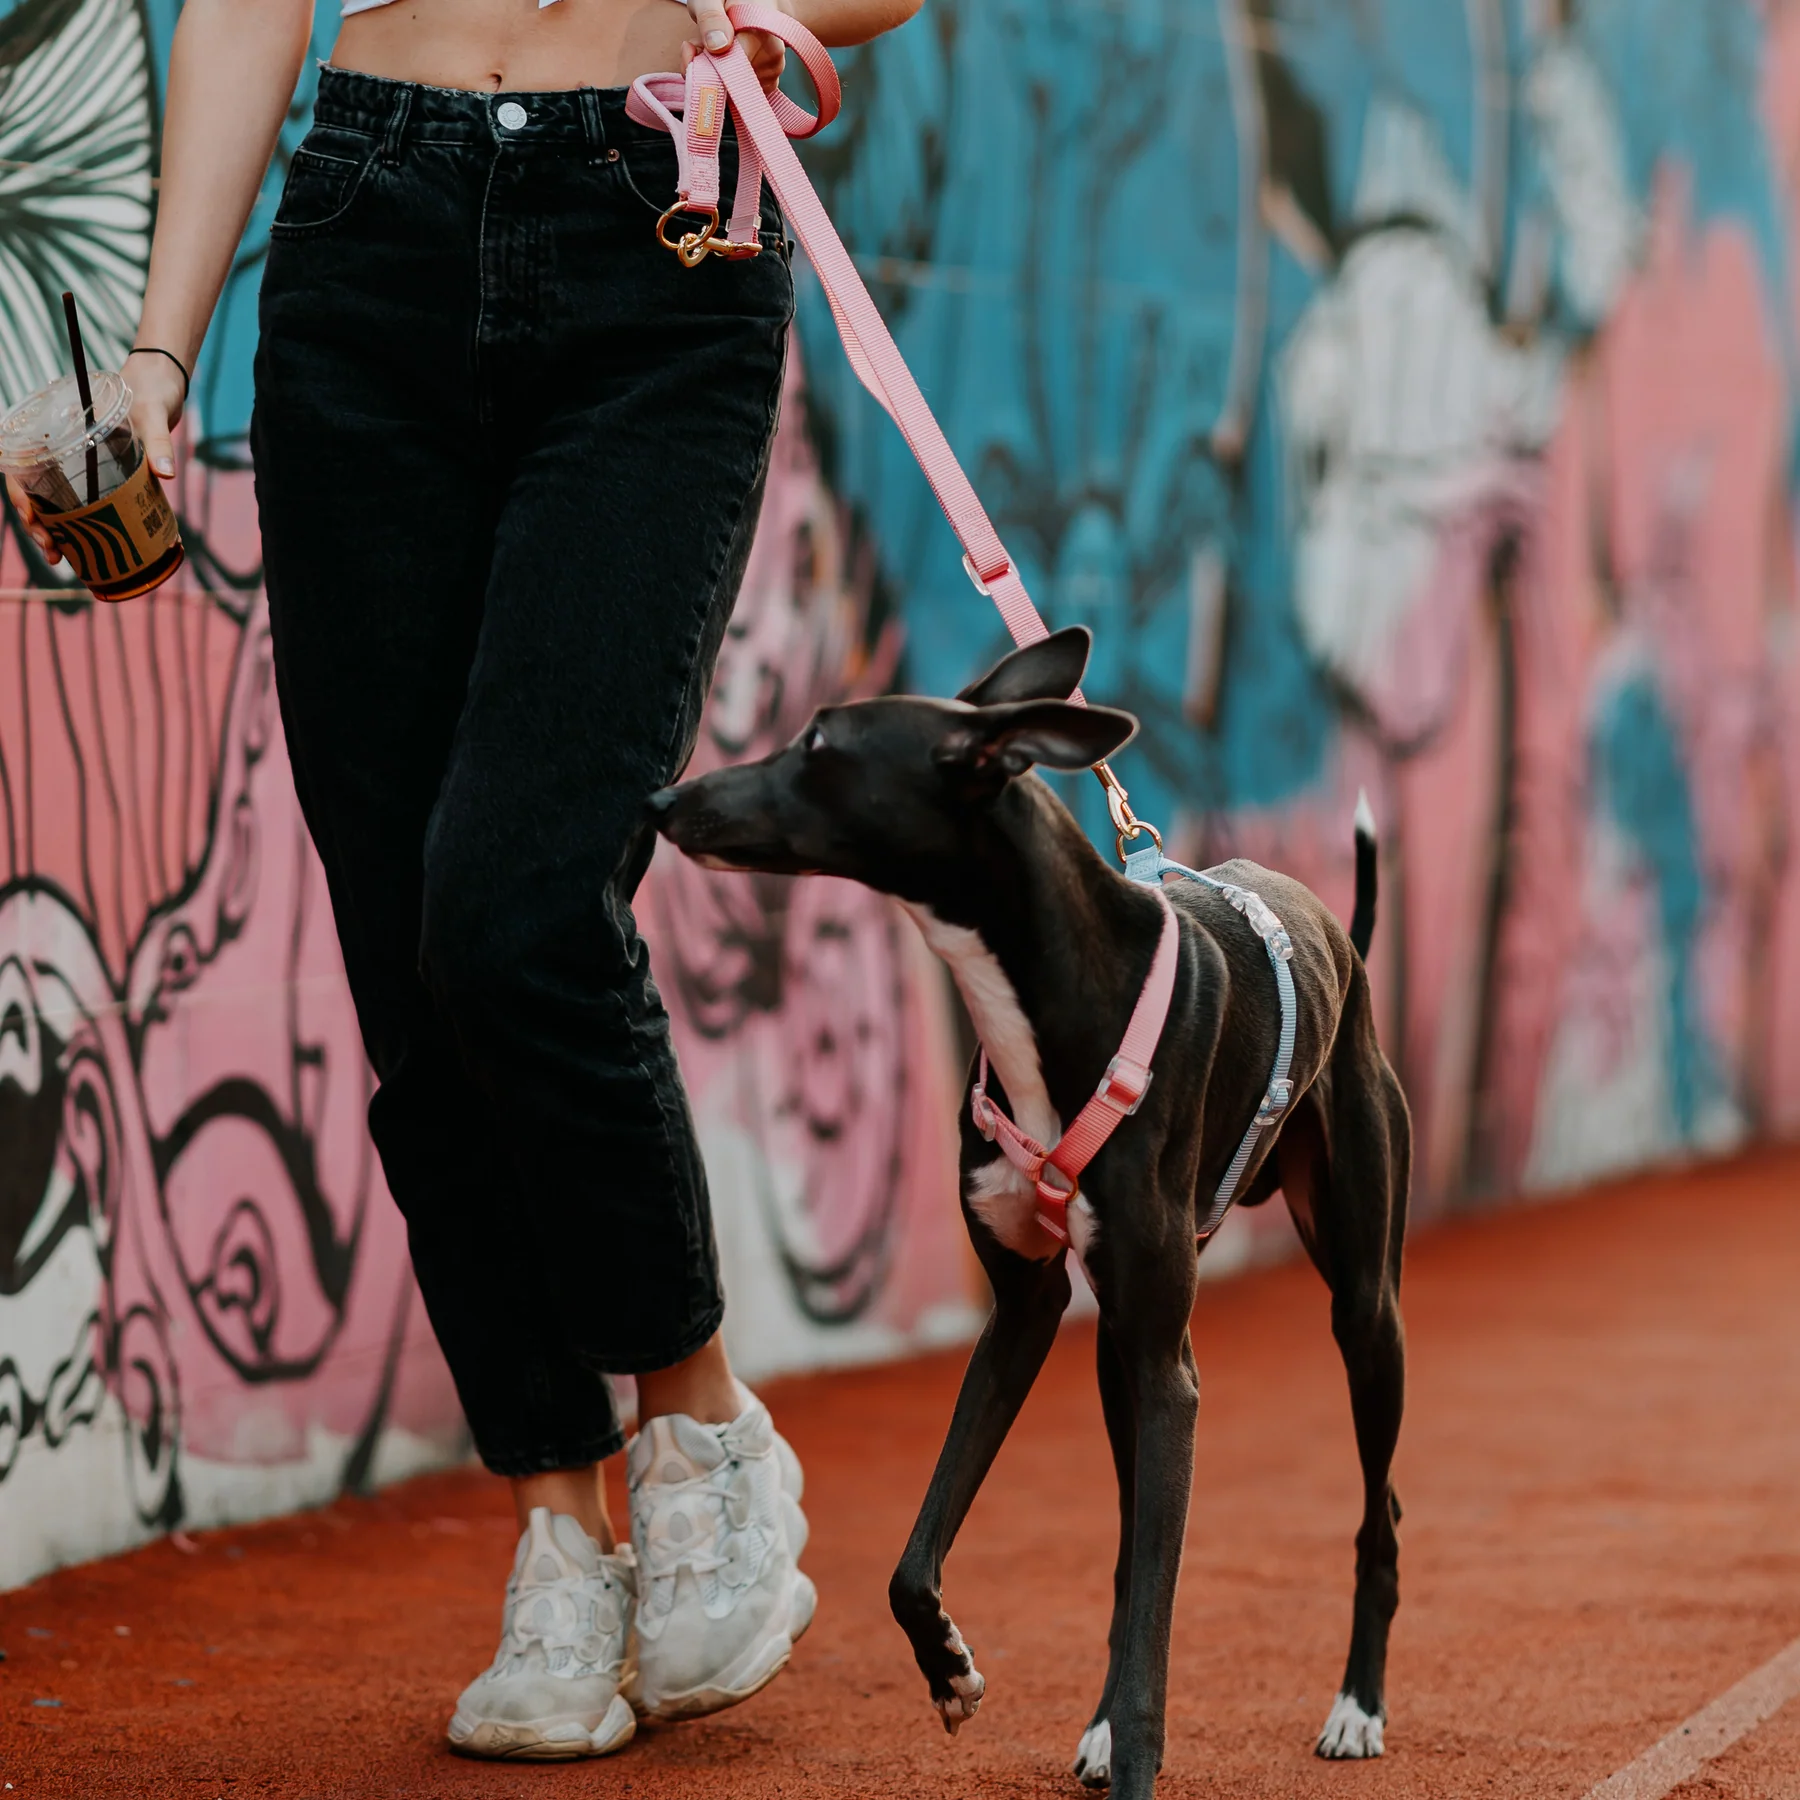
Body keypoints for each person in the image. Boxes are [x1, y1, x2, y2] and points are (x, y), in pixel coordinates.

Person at [9, 0, 920, 1762]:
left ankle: (703, 1428)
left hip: (655, 229)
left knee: (512, 903)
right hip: (371, 231)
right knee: (398, 944)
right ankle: (560, 1522)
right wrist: (156, 356)